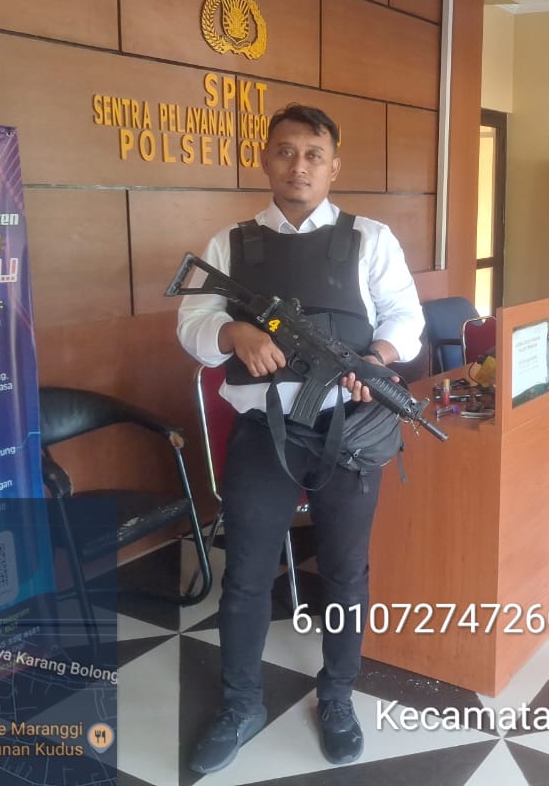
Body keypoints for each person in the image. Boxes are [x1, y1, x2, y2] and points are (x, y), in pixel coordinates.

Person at [177, 103, 423, 773]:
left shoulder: (370, 238)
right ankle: (240, 705)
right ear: (266, 160)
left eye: (314, 155)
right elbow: (193, 323)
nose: (299, 166)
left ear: (333, 167)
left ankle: (337, 696)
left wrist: (377, 355)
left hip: (349, 433)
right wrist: (235, 332)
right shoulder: (231, 244)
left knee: (345, 573)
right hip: (264, 434)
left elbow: (405, 315)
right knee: (246, 577)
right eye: (286, 152)